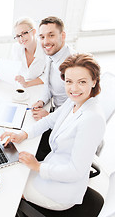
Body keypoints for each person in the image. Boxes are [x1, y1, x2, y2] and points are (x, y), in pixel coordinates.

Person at [1, 53, 105, 211]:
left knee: (11, 188)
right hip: (53, 166)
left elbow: (75, 171)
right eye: (69, 81)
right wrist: (23, 134)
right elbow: (49, 120)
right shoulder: (74, 101)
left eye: (82, 82)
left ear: (94, 81)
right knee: (15, 171)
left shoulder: (92, 119)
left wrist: (37, 167)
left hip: (62, 190)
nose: (74, 88)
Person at [31, 16, 75, 161]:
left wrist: (50, 117)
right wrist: (41, 100)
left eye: (51, 35)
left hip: (66, 123)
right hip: (55, 111)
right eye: (42, 37)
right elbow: (48, 84)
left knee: (33, 151)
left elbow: (77, 107)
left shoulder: (72, 66)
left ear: (62, 36)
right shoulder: (54, 55)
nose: (46, 42)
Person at [0, 17, 46, 87]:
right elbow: (10, 67)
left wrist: (27, 84)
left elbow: (47, 76)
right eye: (18, 36)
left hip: (39, 86)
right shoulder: (16, 47)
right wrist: (0, 75)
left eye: (24, 33)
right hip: (21, 86)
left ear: (33, 32)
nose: (21, 38)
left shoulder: (46, 49)